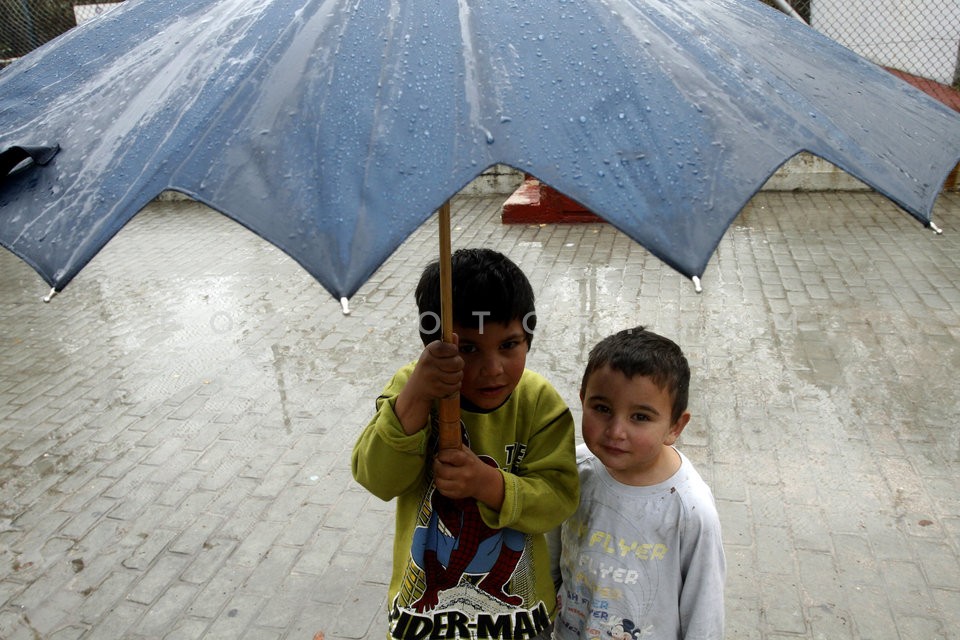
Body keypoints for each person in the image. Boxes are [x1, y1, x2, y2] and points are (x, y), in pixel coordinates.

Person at [352, 248, 579, 639]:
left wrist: (486, 484)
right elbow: (376, 478)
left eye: (509, 345)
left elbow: (558, 501)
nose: (492, 369)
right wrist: (416, 397)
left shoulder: (540, 403)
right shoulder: (411, 389)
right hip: (424, 621)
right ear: (432, 344)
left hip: (520, 622)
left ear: (528, 337)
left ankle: (494, 587)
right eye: (468, 349)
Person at [550, 327, 725, 640]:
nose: (616, 431)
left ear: (675, 426)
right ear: (582, 400)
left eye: (640, 417)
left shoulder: (690, 509)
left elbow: (705, 612)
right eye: (602, 409)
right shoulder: (573, 471)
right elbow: (549, 558)